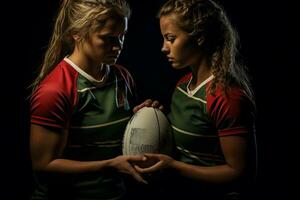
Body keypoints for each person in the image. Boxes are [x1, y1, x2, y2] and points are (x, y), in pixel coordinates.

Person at [29, 0, 162, 199]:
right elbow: (43, 166)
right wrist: (109, 165)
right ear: (77, 33)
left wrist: (144, 116)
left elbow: (116, 140)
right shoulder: (56, 90)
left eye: (121, 36)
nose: (118, 47)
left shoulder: (122, 77)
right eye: (108, 39)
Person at [134, 0, 258, 199]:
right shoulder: (183, 85)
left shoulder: (227, 97)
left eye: (171, 39)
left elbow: (240, 173)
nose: (163, 48)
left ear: (199, 38)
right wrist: (155, 115)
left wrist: (175, 167)